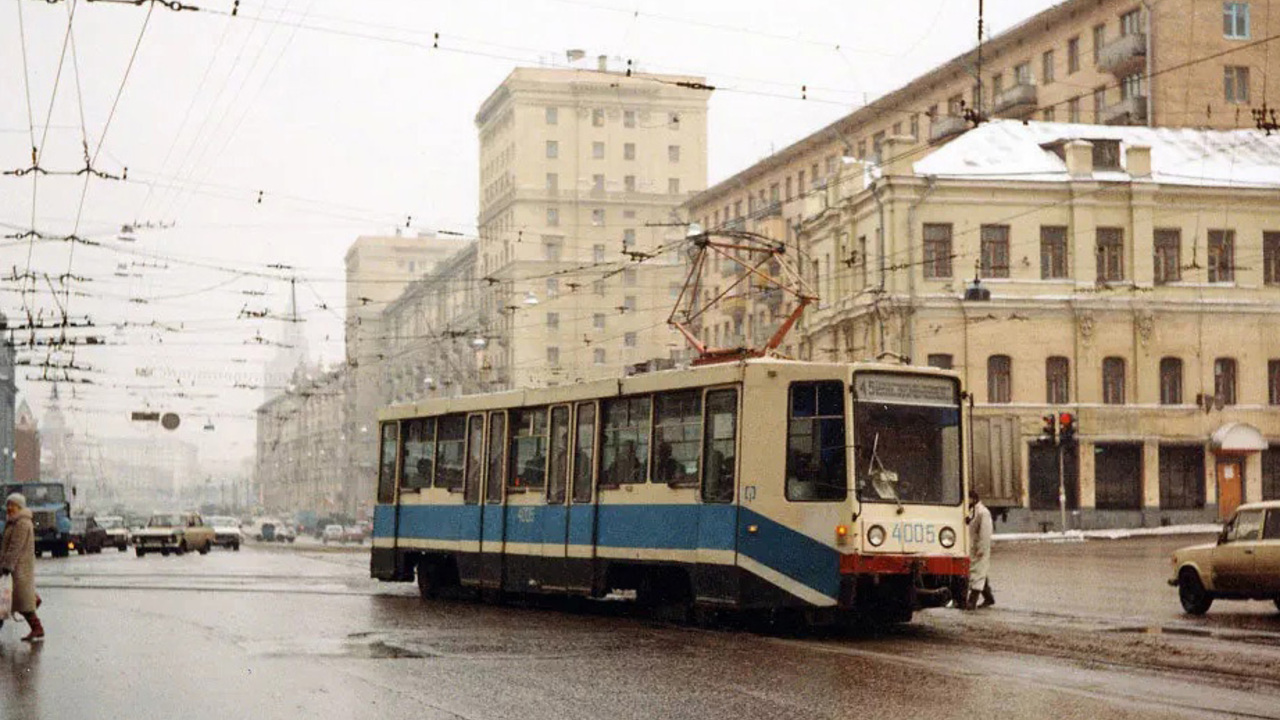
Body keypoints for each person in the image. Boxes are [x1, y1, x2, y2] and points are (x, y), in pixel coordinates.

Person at [1, 493, 45, 642]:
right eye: (8, 504)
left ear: (19, 506)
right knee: (12, 601)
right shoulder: (13, 522)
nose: (9, 508)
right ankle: (37, 627)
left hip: (18, 568)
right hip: (15, 567)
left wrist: (7, 566)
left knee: (17, 601)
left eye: (12, 505)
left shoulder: (22, 523)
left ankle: (37, 627)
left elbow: (15, 547)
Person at [965, 488, 995, 610]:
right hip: (972, 548)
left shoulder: (983, 512)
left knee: (978, 573)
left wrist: (982, 548)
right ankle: (989, 598)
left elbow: (985, 533)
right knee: (979, 572)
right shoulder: (970, 510)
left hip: (979, 548)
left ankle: (972, 601)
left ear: (973, 499)